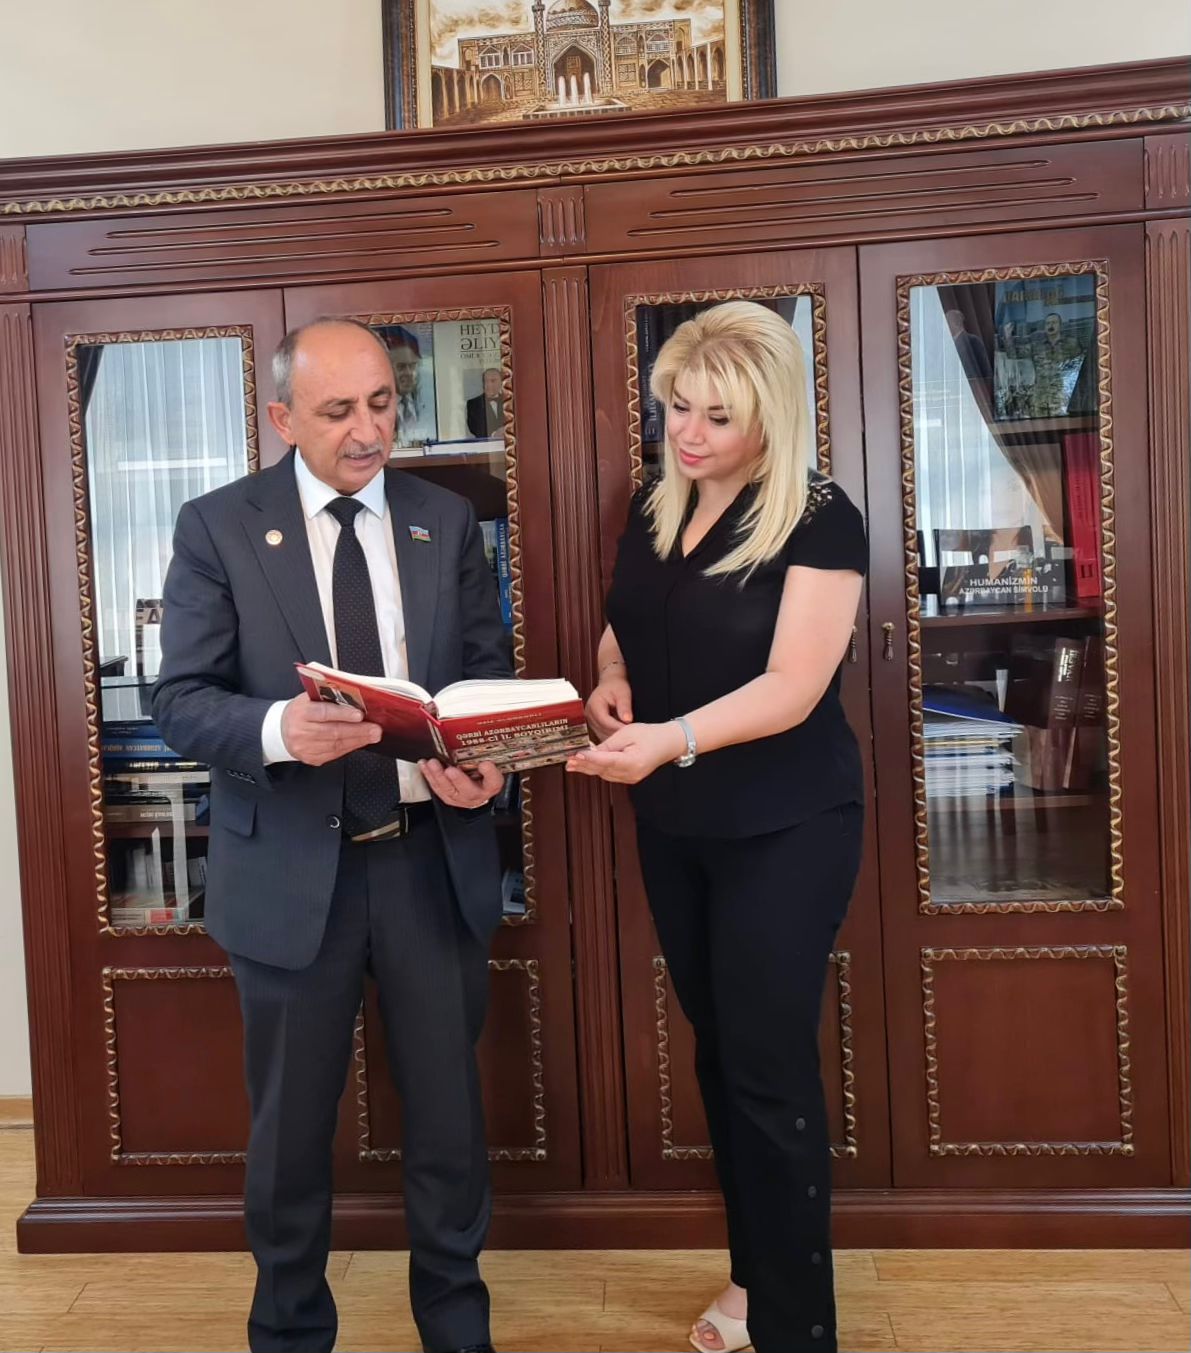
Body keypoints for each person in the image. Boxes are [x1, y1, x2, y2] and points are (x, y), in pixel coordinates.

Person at [152, 317, 508, 1353]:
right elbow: (180, 698)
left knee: (449, 1129)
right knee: (289, 1138)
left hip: (428, 862)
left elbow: (484, 676)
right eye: (339, 410)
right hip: (289, 872)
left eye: (383, 404)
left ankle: (458, 1330)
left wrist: (486, 763)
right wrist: (277, 729)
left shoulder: (445, 518)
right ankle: (290, 1332)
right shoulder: (218, 526)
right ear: (282, 418)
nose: (368, 431)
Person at [568, 300, 867, 1353]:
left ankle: (797, 1327)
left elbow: (793, 687)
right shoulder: (658, 499)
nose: (688, 435)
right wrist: (610, 679)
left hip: (787, 822)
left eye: (717, 418)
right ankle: (752, 1282)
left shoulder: (820, 516)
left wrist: (669, 738)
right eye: (677, 408)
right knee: (721, 1054)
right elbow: (632, 618)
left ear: (770, 418)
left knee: (766, 1068)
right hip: (677, 819)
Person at [388, 325, 436, 446]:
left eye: (413, 366)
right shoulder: (377, 407)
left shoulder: (428, 400)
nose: (409, 373)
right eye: (401, 367)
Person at [466, 368, 504, 438]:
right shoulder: (473, 404)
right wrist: (494, 434)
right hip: (485, 444)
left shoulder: (508, 401)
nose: (489, 384)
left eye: (493, 381)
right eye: (486, 381)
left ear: (501, 382)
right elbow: (475, 429)